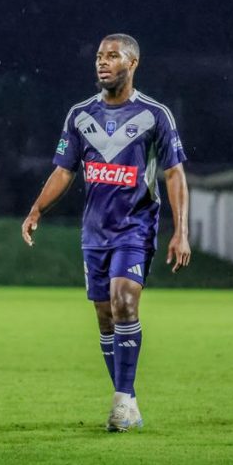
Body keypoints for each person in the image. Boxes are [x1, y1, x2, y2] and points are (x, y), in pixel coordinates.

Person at [20, 33, 191, 432]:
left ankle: (119, 402)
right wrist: (37, 209)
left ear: (132, 64)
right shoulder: (80, 115)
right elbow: (64, 170)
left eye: (113, 56)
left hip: (136, 225)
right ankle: (128, 399)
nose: (103, 62)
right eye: (99, 56)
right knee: (104, 316)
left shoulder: (155, 115)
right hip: (94, 232)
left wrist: (181, 231)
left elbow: (174, 173)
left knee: (124, 301)